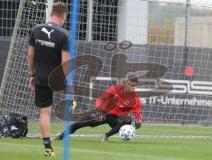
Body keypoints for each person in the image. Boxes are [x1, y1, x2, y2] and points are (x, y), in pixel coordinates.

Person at [27, 2, 70, 157]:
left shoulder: (36, 29)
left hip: (40, 77)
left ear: (52, 13)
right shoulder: (65, 35)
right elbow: (65, 62)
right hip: (55, 77)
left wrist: (32, 74)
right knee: (52, 110)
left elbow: (30, 55)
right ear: (63, 15)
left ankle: (47, 147)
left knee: (45, 111)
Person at [55, 76, 142, 142]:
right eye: (129, 84)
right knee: (79, 123)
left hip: (116, 119)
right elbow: (101, 99)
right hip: (104, 113)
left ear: (135, 86)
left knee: (127, 120)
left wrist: (138, 122)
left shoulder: (135, 100)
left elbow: (138, 113)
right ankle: (60, 136)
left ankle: (106, 136)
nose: (130, 86)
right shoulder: (115, 89)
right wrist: (99, 111)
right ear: (125, 83)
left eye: (133, 85)